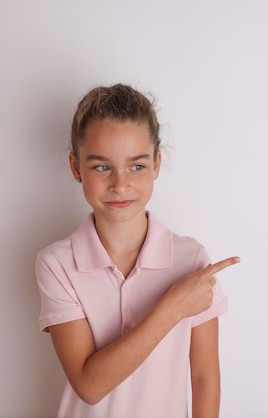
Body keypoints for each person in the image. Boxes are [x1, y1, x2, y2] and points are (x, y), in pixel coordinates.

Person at [35, 83, 239, 418]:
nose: (120, 183)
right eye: (102, 166)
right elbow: (89, 385)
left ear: (157, 164)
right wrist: (173, 307)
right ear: (76, 168)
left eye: (137, 166)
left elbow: (204, 379)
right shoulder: (57, 264)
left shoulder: (191, 260)